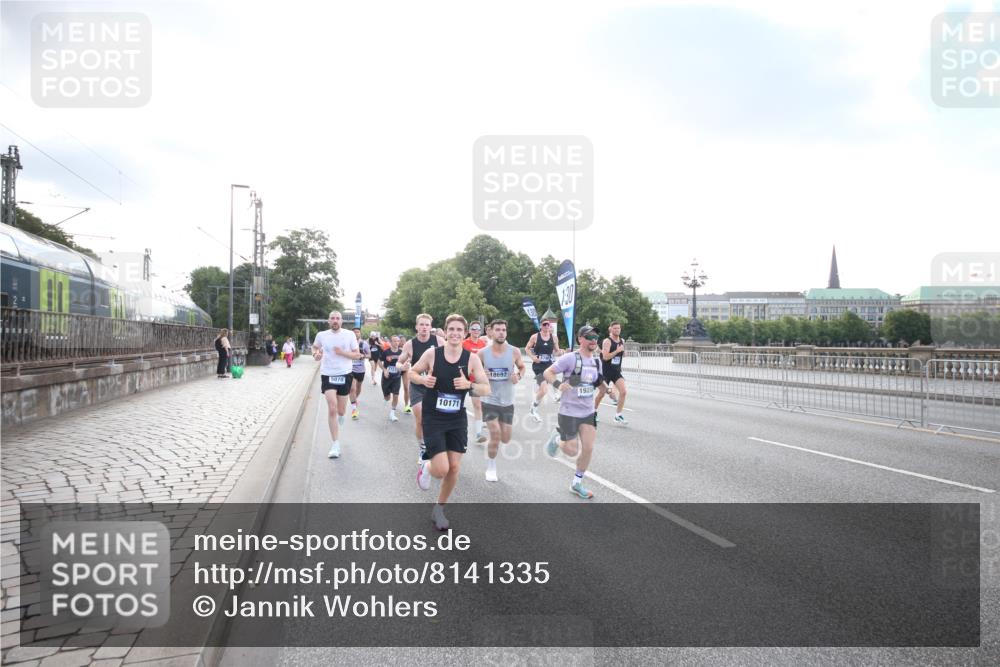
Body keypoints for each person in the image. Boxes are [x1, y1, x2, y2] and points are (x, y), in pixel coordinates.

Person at [409, 314, 490, 530]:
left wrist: (469, 385)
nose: (455, 333)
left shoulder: (471, 359)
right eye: (451, 329)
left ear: (464, 334)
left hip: (457, 419)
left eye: (459, 330)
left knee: (454, 467)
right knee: (441, 469)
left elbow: (486, 388)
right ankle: (427, 467)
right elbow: (411, 372)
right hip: (433, 417)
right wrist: (422, 379)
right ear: (445, 331)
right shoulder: (432, 354)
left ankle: (439, 509)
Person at [543, 325, 603, 500]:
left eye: (596, 337)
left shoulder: (596, 361)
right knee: (570, 451)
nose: (594, 340)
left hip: (587, 412)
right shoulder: (570, 358)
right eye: (590, 336)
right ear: (580, 339)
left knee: (588, 448)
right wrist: (558, 385)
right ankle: (557, 439)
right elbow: (548, 372)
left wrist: (607, 391)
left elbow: (597, 382)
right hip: (569, 412)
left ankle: (577, 483)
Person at [478, 319, 525, 482]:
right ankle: (491, 467)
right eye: (497, 330)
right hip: (489, 399)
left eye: (503, 330)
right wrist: (482, 375)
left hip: (508, 401)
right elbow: (472, 373)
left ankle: (493, 446)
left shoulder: (514, 351)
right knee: (496, 435)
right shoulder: (482, 353)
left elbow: (522, 367)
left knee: (506, 438)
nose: (501, 333)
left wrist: (518, 375)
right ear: (491, 332)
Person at [311, 311, 361, 459]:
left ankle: (341, 414)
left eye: (337, 318)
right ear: (328, 321)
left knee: (340, 410)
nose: (335, 321)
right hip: (328, 374)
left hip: (345, 374)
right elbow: (314, 347)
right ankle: (335, 444)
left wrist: (342, 353)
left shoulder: (349, 335)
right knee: (332, 408)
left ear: (341, 321)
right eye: (332, 318)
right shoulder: (322, 335)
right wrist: (316, 354)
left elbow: (357, 354)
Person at [397, 314, 445, 463]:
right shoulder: (410, 344)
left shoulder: (439, 341)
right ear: (416, 327)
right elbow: (398, 363)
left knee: (438, 420)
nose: (424, 327)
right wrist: (402, 366)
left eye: (427, 325)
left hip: (435, 386)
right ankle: (423, 449)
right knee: (421, 419)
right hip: (417, 385)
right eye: (421, 325)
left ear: (431, 327)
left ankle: (437, 445)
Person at [525, 315, 562, 421]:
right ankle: (534, 407)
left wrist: (562, 352)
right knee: (544, 389)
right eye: (544, 324)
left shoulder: (554, 338)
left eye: (548, 325)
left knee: (554, 383)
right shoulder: (535, 337)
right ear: (541, 326)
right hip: (538, 366)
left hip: (549, 365)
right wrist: (533, 357)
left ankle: (555, 396)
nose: (546, 326)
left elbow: (556, 351)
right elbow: (527, 348)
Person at [594, 321, 629, 424]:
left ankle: (618, 415)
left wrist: (623, 353)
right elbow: (605, 357)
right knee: (601, 394)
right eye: (615, 328)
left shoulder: (622, 340)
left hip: (616, 371)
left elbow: (623, 354)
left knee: (623, 392)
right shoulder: (607, 341)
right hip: (605, 371)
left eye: (618, 328)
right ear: (610, 329)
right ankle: (593, 412)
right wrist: (617, 351)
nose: (617, 330)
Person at [463, 321, 489, 443]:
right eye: (473, 329)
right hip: (462, 378)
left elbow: (486, 360)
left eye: (478, 329)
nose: (476, 331)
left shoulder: (483, 344)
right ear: (469, 330)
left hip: (476, 380)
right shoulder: (464, 343)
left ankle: (478, 434)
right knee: (457, 405)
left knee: (477, 405)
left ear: (480, 331)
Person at [379, 335, 404, 421]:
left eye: (398, 341)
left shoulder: (401, 352)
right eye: (394, 341)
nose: (396, 343)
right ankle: (386, 399)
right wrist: (384, 370)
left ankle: (392, 413)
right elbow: (379, 361)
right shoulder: (386, 352)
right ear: (391, 342)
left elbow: (405, 362)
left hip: (397, 377)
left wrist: (402, 368)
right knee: (387, 397)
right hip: (387, 377)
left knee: (396, 395)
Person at [349, 327, 370, 420]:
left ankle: (354, 399)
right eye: (354, 332)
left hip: (361, 370)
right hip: (350, 369)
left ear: (360, 334)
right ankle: (354, 409)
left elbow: (369, 355)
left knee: (358, 388)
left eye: (358, 332)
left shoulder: (364, 344)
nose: (356, 333)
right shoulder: (348, 343)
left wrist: (363, 356)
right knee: (352, 389)